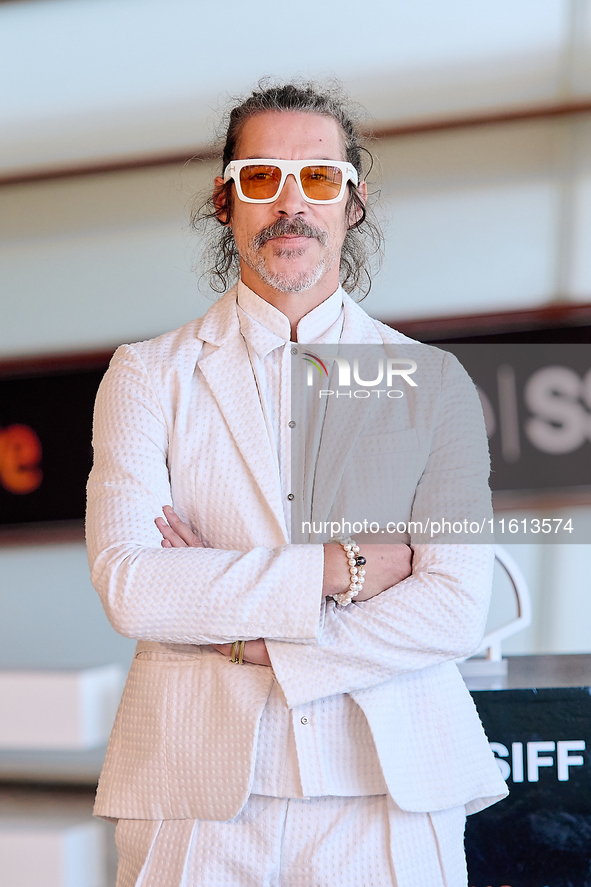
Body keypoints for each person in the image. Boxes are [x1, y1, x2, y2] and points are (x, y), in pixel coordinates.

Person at [86, 81, 508, 887]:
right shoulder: (145, 375)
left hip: (389, 791)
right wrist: (339, 568)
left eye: (317, 178)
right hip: (195, 799)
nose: (290, 203)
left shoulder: (436, 381)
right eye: (260, 178)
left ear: (352, 202)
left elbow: (453, 606)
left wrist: (246, 638)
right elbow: (135, 586)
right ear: (225, 200)